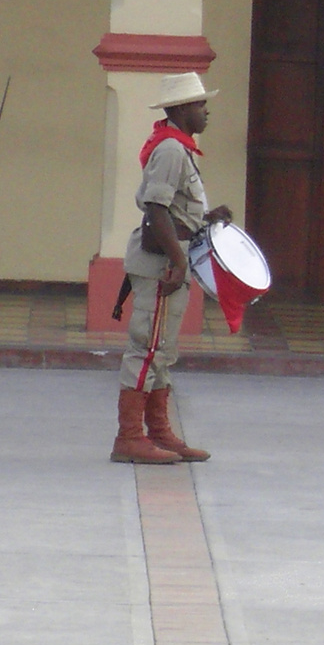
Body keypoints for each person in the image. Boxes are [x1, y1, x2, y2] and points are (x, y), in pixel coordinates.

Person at [111, 72, 230, 464]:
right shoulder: (170, 151)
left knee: (162, 349)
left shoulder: (179, 149)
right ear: (181, 109)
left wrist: (208, 218)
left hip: (171, 260)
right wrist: (179, 262)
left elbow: (175, 210)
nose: (206, 111)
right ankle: (129, 437)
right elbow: (156, 208)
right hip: (162, 264)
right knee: (146, 348)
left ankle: (159, 433)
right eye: (200, 105)